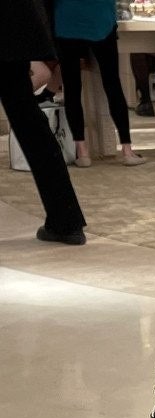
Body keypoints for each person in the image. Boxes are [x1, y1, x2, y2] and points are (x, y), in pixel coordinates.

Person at [0, 0, 86, 245]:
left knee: (29, 121)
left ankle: (65, 221)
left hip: (14, 31)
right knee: (30, 122)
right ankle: (66, 221)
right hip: (14, 33)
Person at [53, 0, 146, 166]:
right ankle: (127, 150)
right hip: (100, 20)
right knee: (112, 84)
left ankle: (82, 152)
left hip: (67, 20)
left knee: (72, 88)